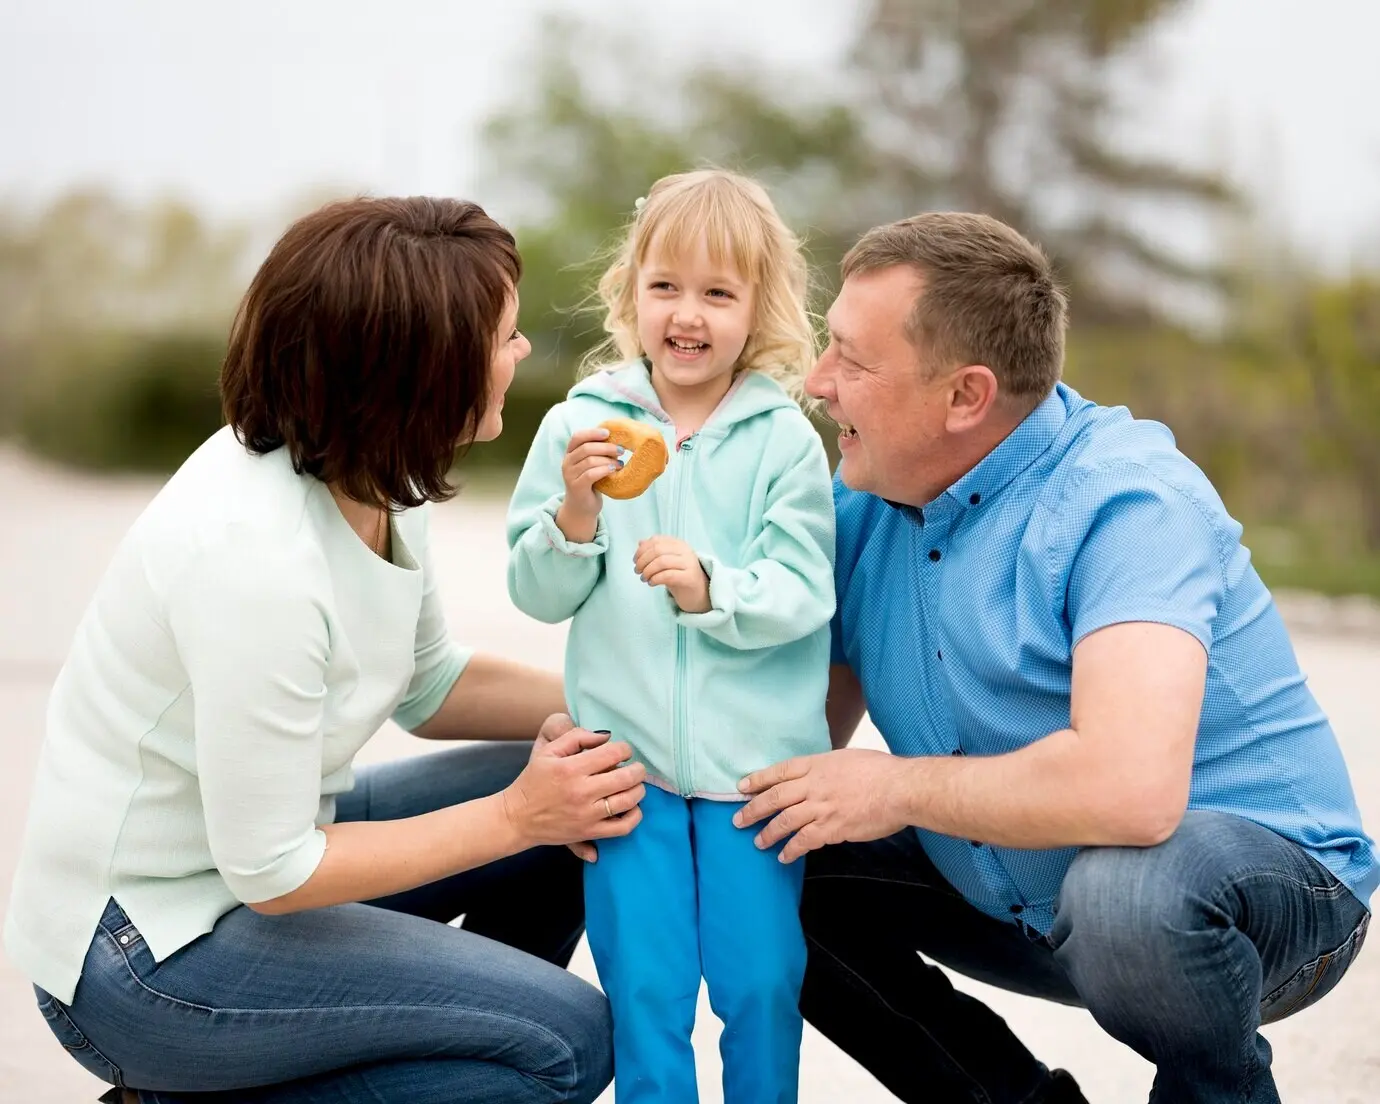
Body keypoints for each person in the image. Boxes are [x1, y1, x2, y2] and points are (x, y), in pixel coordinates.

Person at [5, 196, 647, 1104]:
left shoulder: (374, 475)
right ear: (421, 372)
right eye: (503, 337)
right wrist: (515, 817)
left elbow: (429, 685)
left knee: (583, 782)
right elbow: (273, 872)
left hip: (254, 860)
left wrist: (626, 710)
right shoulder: (252, 560)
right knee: (568, 1043)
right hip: (144, 958)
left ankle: (432, 1035)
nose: (520, 355)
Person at [734, 211, 1375, 1104]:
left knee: (1128, 895)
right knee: (757, 856)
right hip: (1029, 898)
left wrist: (894, 787)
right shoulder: (862, 509)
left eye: (852, 359)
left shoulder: (1127, 501)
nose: (818, 381)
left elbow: (1130, 792)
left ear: (965, 396)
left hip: (1259, 898)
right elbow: (788, 738)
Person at [506, 169, 835, 1103]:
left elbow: (806, 589)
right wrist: (574, 515)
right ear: (632, 293)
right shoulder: (582, 427)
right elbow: (534, 591)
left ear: (757, 309)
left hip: (754, 779)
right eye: (666, 287)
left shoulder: (782, 440)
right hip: (627, 768)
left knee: (761, 982)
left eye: (717, 294)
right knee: (646, 987)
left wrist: (710, 589)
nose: (687, 315)